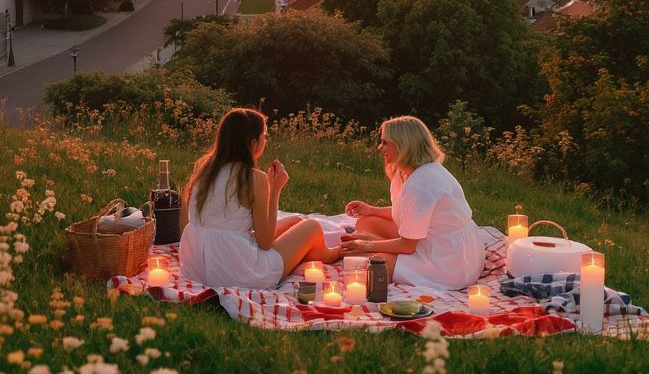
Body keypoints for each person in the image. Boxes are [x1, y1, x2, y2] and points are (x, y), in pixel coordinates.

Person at [179, 108, 339, 289]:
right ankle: (332, 254)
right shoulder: (253, 178)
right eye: (264, 136)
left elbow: (189, 225)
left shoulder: (203, 170)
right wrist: (275, 189)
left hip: (196, 269)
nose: (266, 141)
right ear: (253, 143)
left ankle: (309, 252)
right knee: (312, 226)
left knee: (295, 221)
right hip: (238, 274)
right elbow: (265, 243)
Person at [341, 116, 484, 290]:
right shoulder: (406, 172)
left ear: (403, 145)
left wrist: (365, 245)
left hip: (449, 263)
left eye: (385, 142)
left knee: (377, 262)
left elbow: (407, 246)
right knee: (367, 222)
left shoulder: (422, 182)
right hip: (437, 243)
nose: (380, 147)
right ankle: (379, 243)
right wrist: (370, 210)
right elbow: (409, 212)